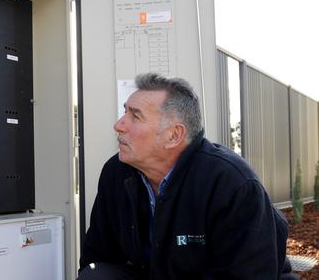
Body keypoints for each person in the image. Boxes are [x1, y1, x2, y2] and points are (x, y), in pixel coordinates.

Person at [78, 73, 296, 279]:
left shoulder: (231, 183)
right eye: (124, 112)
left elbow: (250, 273)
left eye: (135, 116)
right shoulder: (116, 173)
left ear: (174, 135)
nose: (119, 125)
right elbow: (97, 256)